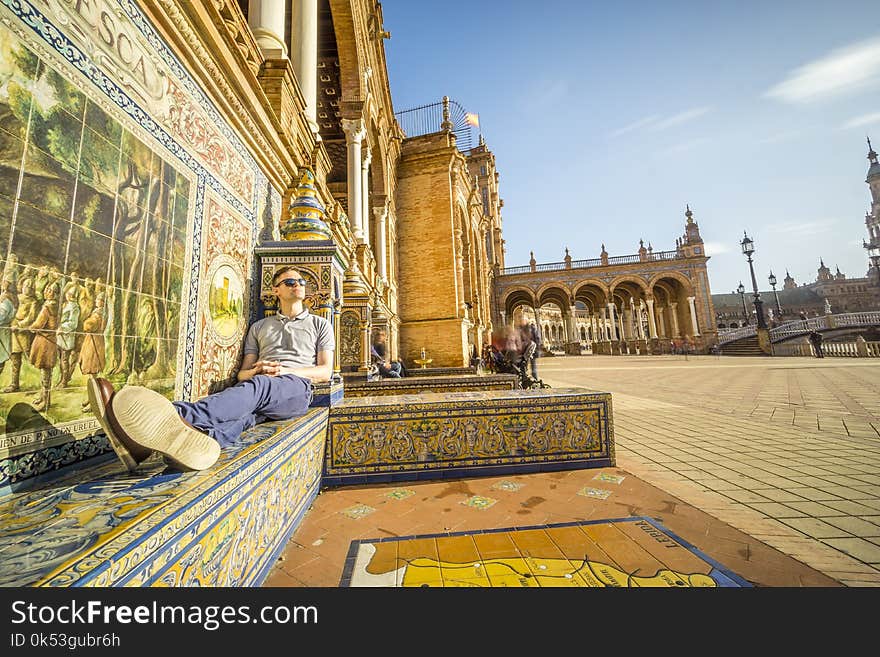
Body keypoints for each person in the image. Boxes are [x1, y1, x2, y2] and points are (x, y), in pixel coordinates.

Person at [88, 266, 334, 472]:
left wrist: (283, 372)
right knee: (246, 417)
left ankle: (177, 414)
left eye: (301, 281)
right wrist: (257, 370)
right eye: (290, 282)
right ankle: (196, 444)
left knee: (261, 386)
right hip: (260, 389)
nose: (298, 285)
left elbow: (324, 371)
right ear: (276, 290)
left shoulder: (320, 324)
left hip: (297, 390)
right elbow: (242, 375)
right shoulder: (260, 327)